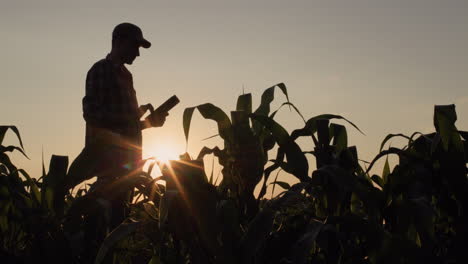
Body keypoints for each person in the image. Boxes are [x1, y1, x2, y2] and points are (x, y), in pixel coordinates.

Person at [67, 23, 168, 261]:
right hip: (109, 167)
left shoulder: (126, 76)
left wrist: (149, 123)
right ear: (118, 41)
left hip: (127, 168)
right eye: (135, 46)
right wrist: (132, 118)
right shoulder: (101, 70)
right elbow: (92, 114)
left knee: (116, 233)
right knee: (99, 233)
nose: (138, 53)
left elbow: (128, 127)